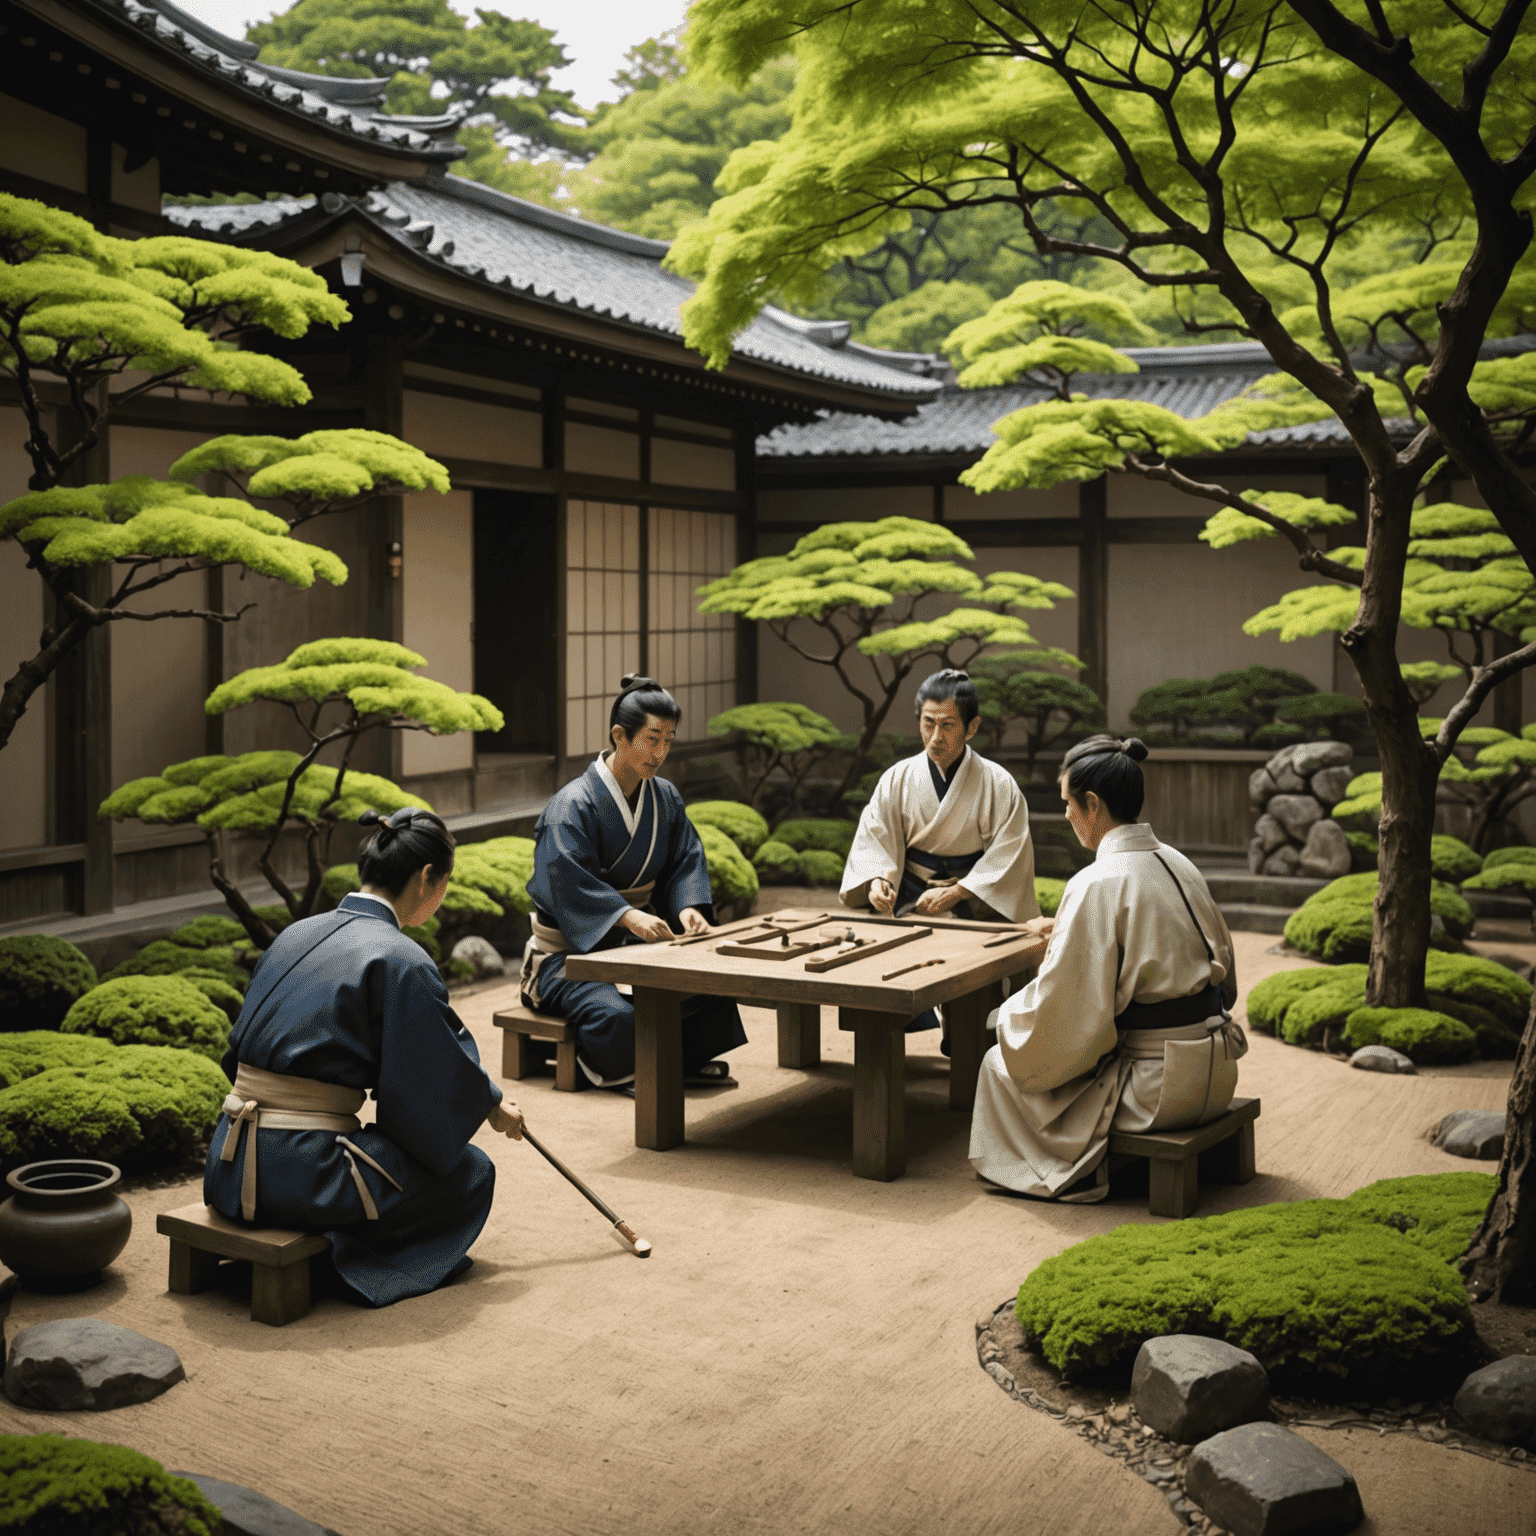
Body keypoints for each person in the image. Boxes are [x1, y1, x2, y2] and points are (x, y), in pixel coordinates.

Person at [205, 808, 524, 1306]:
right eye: (444, 884)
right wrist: (486, 1101)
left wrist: (484, 1100)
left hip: (225, 1161)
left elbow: (241, 1054)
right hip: (298, 1175)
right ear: (425, 879)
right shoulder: (398, 956)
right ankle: (344, 1257)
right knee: (470, 1173)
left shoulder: (295, 933)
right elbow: (429, 1078)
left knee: (387, 1148)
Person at [968, 735, 1246, 1202]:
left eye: (1068, 804)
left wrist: (1007, 1017)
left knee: (999, 1061)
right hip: (1216, 1069)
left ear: (1092, 805)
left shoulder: (1096, 882)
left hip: (1157, 1090)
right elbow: (1219, 981)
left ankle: (1066, 1169)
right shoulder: (1180, 863)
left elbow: (1068, 1018)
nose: (1066, 815)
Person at [521, 675, 746, 1091]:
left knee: (710, 987)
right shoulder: (571, 806)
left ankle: (675, 1062)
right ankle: (621, 1067)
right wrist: (626, 916)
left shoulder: (665, 798)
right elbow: (564, 880)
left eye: (669, 740)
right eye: (651, 739)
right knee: (620, 1015)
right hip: (568, 957)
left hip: (636, 945)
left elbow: (684, 860)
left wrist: (687, 908)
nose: (660, 753)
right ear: (619, 736)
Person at [840, 668, 1039, 1036]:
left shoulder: (998, 783)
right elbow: (876, 836)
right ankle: (883, 1048)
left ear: (972, 726)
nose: (935, 737)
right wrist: (879, 881)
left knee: (979, 967)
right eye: (928, 723)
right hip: (911, 894)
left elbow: (1009, 852)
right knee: (871, 954)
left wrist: (959, 891)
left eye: (948, 725)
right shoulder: (897, 778)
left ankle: (963, 1040)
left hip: (974, 898)